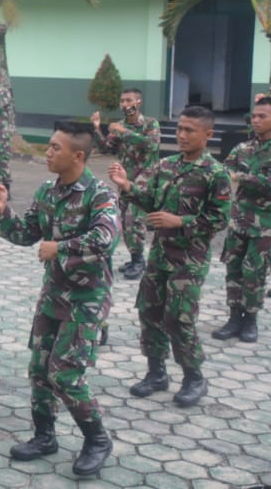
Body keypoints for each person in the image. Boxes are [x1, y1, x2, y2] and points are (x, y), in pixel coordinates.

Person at [0, 122, 119, 477]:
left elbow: (106, 238)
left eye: (55, 148)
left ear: (78, 155)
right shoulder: (47, 191)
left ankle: (97, 440)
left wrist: (60, 247)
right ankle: (44, 437)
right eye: (48, 146)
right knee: (40, 368)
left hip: (87, 298)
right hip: (53, 294)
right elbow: (27, 234)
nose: (47, 152)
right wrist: (3, 211)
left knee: (66, 374)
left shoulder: (99, 194)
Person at [109, 105, 230, 408]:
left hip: (189, 260)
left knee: (178, 317)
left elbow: (219, 219)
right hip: (160, 255)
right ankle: (156, 373)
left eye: (190, 130)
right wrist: (127, 186)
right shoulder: (166, 166)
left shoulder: (215, 173)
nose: (182, 135)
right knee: (149, 312)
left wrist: (180, 221)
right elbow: (151, 201)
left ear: (208, 134)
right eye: (179, 129)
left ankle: (193, 377)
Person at [214, 96, 271, 343]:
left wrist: (242, 177)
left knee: (254, 271)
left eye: (262, 116)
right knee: (234, 268)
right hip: (238, 221)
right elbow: (224, 171)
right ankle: (234, 317)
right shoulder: (242, 148)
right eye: (253, 116)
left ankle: (251, 319)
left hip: (265, 225)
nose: (255, 120)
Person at [92, 89, 161, 280]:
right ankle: (134, 258)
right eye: (122, 101)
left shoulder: (150, 123)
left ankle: (139, 261)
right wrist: (97, 128)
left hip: (145, 179)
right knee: (124, 219)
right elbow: (106, 148)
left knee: (134, 220)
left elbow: (151, 144)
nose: (125, 104)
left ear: (138, 102)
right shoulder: (119, 125)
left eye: (129, 100)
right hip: (124, 179)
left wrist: (124, 132)